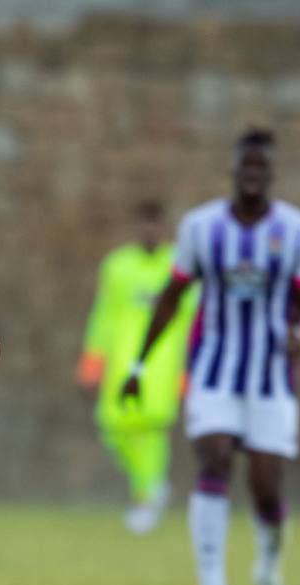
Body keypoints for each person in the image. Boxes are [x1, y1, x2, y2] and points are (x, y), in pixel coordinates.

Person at [122, 128, 300, 585]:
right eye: (246, 166)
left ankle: (268, 576)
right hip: (214, 373)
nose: (253, 174)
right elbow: (172, 297)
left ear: (271, 173)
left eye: (262, 167)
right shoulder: (201, 227)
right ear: (235, 170)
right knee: (212, 460)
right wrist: (139, 364)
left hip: (272, 379)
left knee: (266, 487)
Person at [77, 200, 199, 533]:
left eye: (155, 224)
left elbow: (192, 318)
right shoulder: (117, 266)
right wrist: (92, 361)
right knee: (112, 425)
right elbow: (104, 314)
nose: (149, 231)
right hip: (121, 359)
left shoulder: (179, 265)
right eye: (143, 224)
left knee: (152, 428)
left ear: (164, 227)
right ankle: (152, 486)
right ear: (136, 228)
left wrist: (191, 368)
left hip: (164, 361)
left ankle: (146, 497)